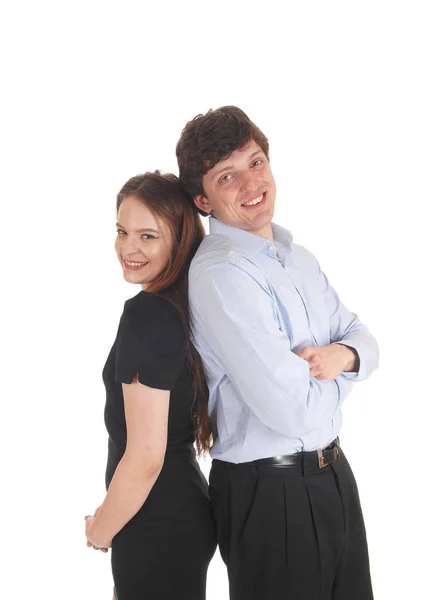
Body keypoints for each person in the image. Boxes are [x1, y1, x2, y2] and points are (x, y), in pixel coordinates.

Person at [176, 106, 379, 600]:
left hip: (334, 477)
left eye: (256, 161)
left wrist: (341, 358)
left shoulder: (296, 257)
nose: (252, 184)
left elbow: (363, 339)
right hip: (272, 496)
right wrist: (346, 367)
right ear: (203, 199)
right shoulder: (223, 274)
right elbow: (292, 411)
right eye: (228, 176)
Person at [84, 171, 216, 600]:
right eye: (122, 231)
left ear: (178, 240)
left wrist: (102, 528)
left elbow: (144, 456)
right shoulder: (183, 304)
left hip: (155, 521)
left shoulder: (148, 315)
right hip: (179, 512)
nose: (128, 248)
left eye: (147, 236)